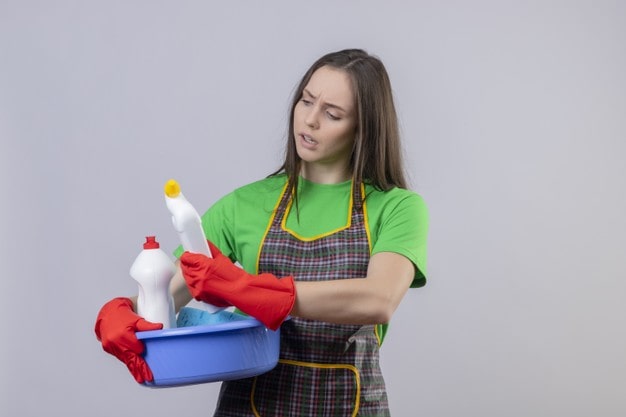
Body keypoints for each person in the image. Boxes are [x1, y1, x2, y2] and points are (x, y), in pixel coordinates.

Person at [95, 48, 428, 416]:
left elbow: (378, 299)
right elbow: (166, 297)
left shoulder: (395, 207)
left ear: (364, 127)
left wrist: (252, 291)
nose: (310, 120)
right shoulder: (245, 204)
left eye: (332, 114)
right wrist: (123, 314)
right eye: (306, 101)